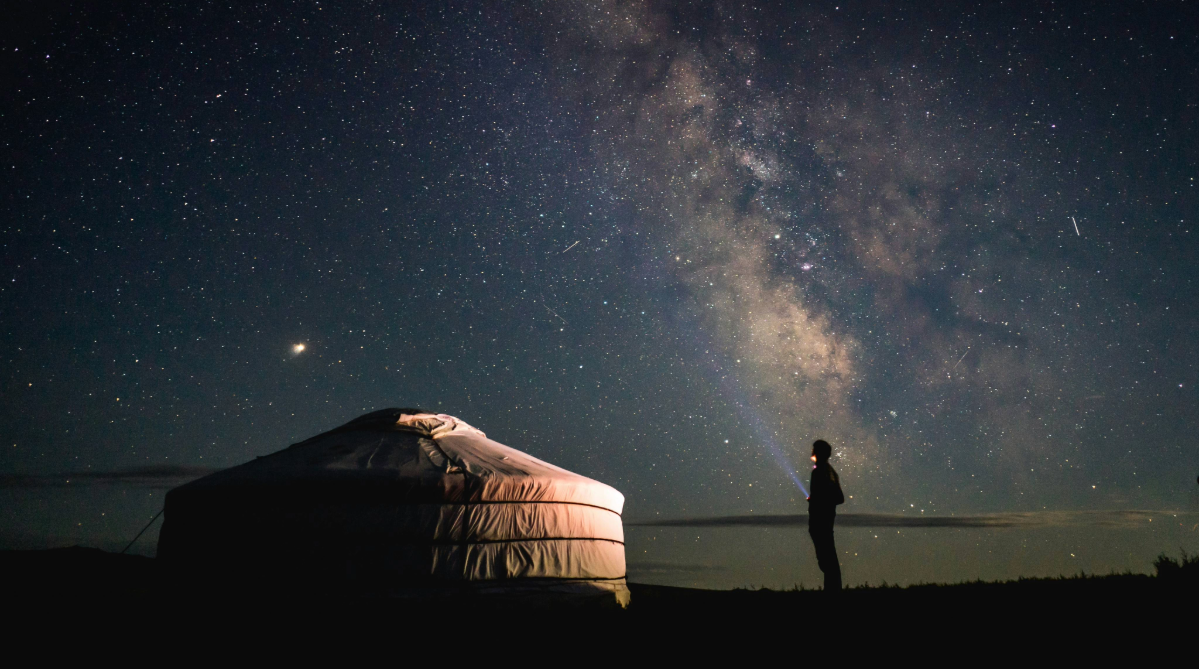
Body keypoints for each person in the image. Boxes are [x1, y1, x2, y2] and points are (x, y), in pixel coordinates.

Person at [807, 439, 845, 592]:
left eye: (814, 449)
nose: (812, 452)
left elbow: (836, 497)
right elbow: (839, 497)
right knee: (828, 562)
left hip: (820, 522)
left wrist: (817, 499)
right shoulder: (830, 472)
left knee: (827, 562)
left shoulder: (819, 472)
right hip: (826, 522)